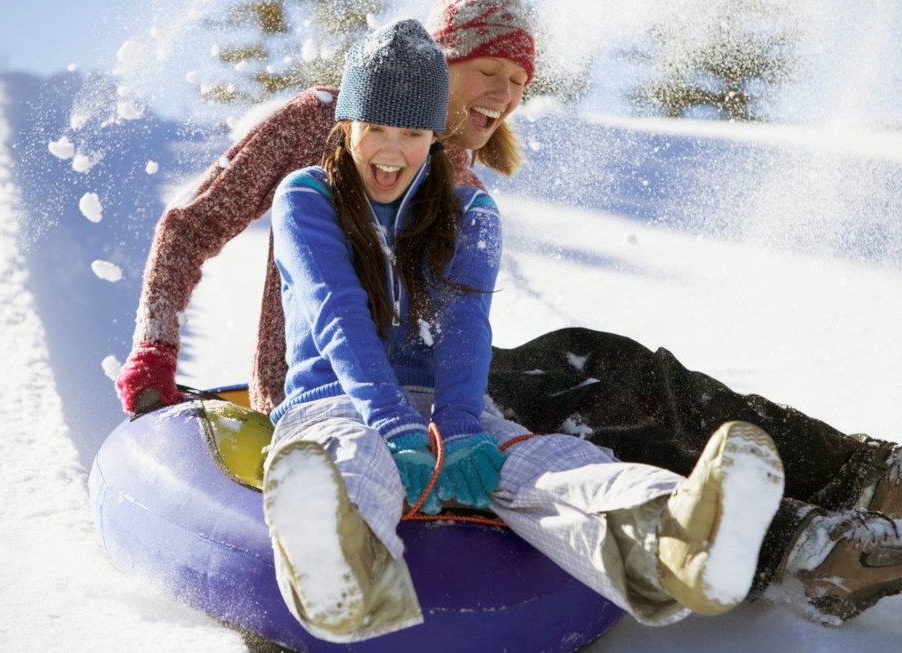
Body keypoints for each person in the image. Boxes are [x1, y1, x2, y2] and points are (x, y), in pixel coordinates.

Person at [114, 0, 902, 628]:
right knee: (597, 375)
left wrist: (455, 419)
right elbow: (198, 226)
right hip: (325, 389)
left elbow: (461, 322)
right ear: (441, 60)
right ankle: (812, 540)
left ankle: (856, 482)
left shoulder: (464, 188)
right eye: (493, 75)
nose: (505, 100)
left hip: (432, 384)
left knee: (613, 369)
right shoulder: (320, 131)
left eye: (521, 85)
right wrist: (154, 351)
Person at [259, 18, 787, 642]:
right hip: (334, 401)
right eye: (375, 128)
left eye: (411, 132)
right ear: (346, 126)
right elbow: (335, 309)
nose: (391, 151)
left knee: (542, 463)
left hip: (448, 407)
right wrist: (394, 423)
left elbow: (464, 326)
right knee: (353, 454)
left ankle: (671, 537)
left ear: (434, 136)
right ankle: (342, 576)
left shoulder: (471, 211)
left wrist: (456, 426)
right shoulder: (306, 196)